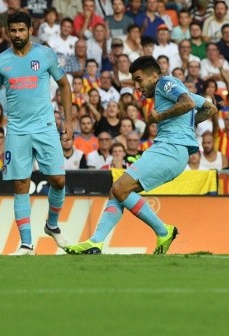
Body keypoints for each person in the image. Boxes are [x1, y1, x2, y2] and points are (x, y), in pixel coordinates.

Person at [65, 56, 217, 255]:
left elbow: (187, 103)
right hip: (173, 150)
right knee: (117, 191)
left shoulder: (165, 83)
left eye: (139, 80)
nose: (137, 86)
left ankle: (163, 231)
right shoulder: (175, 90)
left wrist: (160, 117)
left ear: (154, 76)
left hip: (170, 148)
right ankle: (96, 242)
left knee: (120, 189)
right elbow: (210, 108)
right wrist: (186, 126)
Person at [0, 11, 73, 255]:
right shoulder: (1, 61)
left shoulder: (45, 54)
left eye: (21, 30)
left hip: (45, 126)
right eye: (13, 30)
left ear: (30, 30)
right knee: (21, 184)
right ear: (8, 32)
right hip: (17, 130)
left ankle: (52, 225)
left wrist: (69, 121)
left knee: (58, 180)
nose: (17, 34)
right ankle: (26, 244)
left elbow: (64, 85)